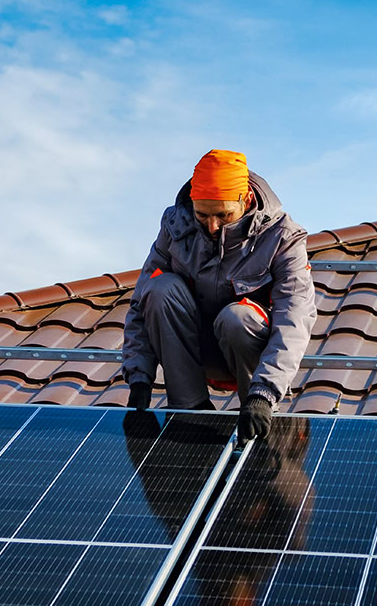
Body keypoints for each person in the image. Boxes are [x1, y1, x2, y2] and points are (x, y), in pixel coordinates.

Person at [121, 149, 316, 441]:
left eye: (223, 215)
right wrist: (139, 377)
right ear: (191, 204)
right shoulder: (175, 228)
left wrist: (264, 393)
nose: (212, 226)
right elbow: (141, 304)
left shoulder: (282, 238)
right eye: (202, 215)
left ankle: (254, 411)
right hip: (191, 350)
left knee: (238, 317)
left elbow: (294, 321)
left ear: (247, 200)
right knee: (161, 289)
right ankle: (189, 414)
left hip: (247, 350)